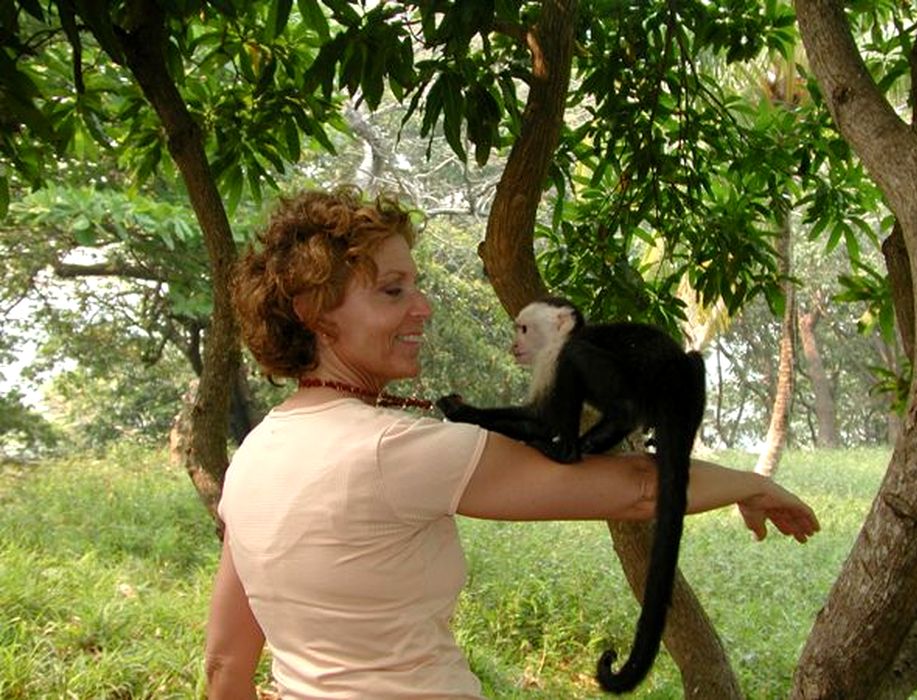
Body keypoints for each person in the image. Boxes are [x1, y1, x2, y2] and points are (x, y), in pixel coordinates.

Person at [204, 186, 819, 700]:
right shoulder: (395, 450)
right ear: (314, 311)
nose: (424, 307)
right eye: (393, 291)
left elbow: (226, 665)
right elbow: (637, 489)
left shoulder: (253, 456)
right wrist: (753, 483)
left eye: (416, 286)